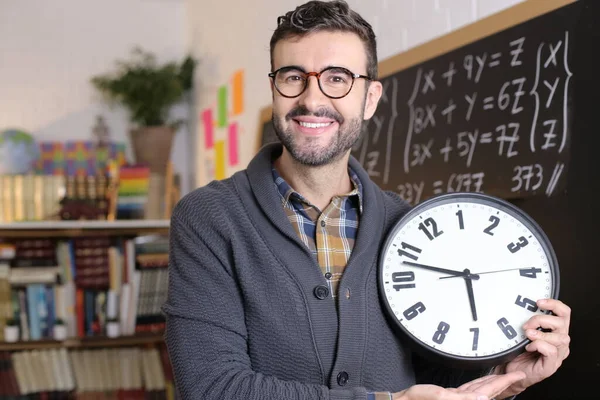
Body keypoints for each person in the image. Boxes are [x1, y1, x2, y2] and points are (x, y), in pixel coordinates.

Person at [162, 1, 571, 399]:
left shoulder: (408, 226)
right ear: (274, 88)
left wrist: (503, 375)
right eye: (292, 76)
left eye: (337, 78)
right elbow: (212, 388)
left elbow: (430, 376)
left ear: (371, 98)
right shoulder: (210, 217)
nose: (312, 98)